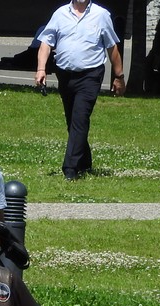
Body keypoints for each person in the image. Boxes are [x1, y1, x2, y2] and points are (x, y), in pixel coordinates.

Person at [35, 0, 124, 181]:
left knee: (80, 118)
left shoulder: (101, 15)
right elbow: (46, 42)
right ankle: (85, 162)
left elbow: (112, 47)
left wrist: (119, 76)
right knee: (72, 120)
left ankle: (70, 168)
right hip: (65, 75)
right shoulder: (60, 14)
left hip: (90, 75)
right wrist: (41, 69)